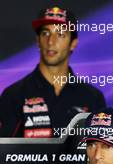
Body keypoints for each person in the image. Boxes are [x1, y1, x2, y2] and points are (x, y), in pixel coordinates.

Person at [0, 6, 106, 137]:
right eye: (45, 33)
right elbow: (4, 152)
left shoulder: (92, 98)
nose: (51, 41)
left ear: (73, 43)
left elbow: (101, 151)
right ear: (38, 40)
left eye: (60, 34)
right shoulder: (13, 95)